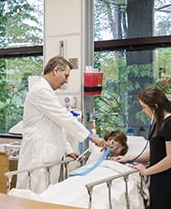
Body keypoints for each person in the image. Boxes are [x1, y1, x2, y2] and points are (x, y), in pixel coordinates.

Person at [17, 56, 106, 193]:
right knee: (34, 194)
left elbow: (57, 125)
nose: (66, 80)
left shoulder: (46, 91)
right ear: (56, 70)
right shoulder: (41, 90)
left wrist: (69, 150)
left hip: (46, 153)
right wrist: (91, 137)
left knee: (44, 194)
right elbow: (64, 118)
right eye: (66, 75)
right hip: (38, 153)